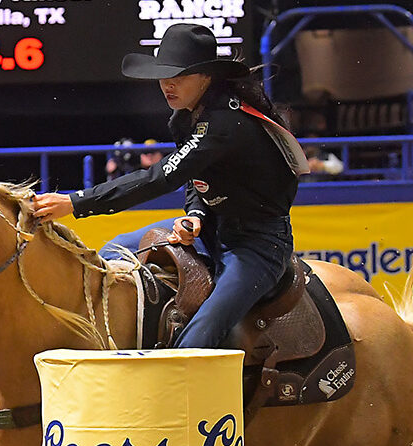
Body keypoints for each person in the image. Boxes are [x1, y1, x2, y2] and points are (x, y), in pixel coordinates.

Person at [33, 24, 307, 350]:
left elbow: (163, 177)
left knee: (200, 336)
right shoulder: (186, 117)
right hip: (213, 230)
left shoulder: (223, 123)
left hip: (259, 247)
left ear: (206, 76)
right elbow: (196, 178)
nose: (167, 85)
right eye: (163, 76)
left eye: (179, 76)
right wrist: (195, 214)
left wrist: (76, 202)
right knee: (113, 251)